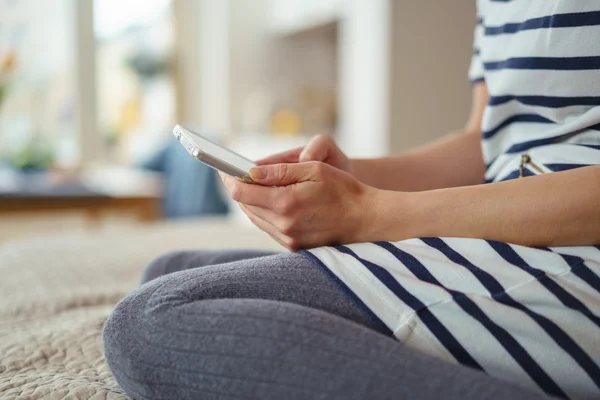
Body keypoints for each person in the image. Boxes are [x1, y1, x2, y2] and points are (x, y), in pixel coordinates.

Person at [103, 1, 600, 399]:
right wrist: (353, 177)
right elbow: (490, 142)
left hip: (579, 246)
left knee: (152, 322)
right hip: (507, 225)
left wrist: (372, 214)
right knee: (170, 268)